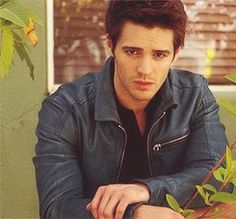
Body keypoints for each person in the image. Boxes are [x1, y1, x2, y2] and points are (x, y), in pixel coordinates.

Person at [33, 0, 230, 218]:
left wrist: (145, 190)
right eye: (132, 52)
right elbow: (56, 208)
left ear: (177, 52)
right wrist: (134, 214)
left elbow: (217, 178)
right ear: (111, 45)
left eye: (159, 55)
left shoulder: (194, 95)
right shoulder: (65, 109)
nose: (145, 70)